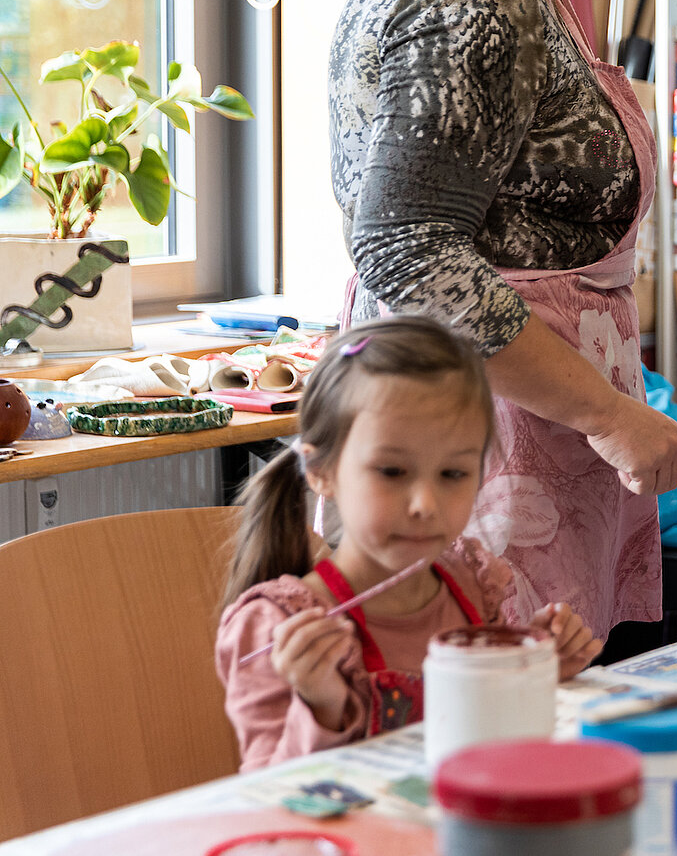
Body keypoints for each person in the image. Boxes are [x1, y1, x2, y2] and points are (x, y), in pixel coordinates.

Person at [328, 0, 677, 636]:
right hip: (479, 443)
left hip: (516, 426)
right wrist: (613, 414)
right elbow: (410, 254)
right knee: (494, 728)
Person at [215, 317, 604, 772]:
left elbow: (484, 734)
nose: (424, 503)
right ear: (321, 470)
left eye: (453, 474)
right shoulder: (277, 625)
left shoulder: (473, 586)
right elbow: (269, 797)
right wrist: (322, 705)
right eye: (392, 472)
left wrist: (538, 667)